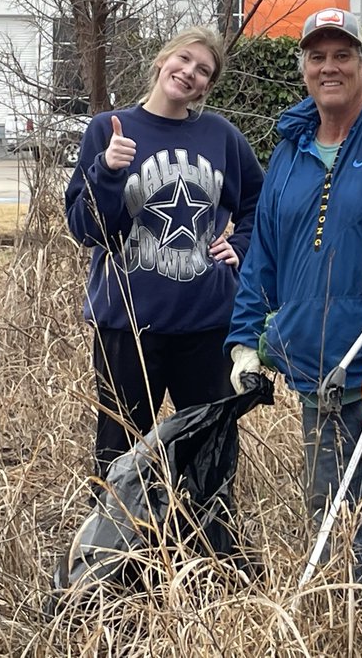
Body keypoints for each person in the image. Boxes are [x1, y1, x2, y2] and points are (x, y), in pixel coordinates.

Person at [225, 7, 362, 621]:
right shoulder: (290, 154)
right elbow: (262, 255)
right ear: (304, 70)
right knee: (334, 498)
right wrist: (245, 343)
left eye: (342, 55)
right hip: (316, 365)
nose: (330, 67)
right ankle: (343, 613)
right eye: (318, 57)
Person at [65, 26, 264, 482]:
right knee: (118, 452)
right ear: (162, 60)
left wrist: (239, 245)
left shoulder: (221, 137)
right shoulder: (109, 130)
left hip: (206, 322)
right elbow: (86, 229)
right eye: (184, 60)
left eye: (204, 71)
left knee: (207, 456)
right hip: (127, 325)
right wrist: (108, 171)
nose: (190, 73)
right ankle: (115, 551)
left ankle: (207, 547)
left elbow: (262, 200)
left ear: (208, 87)